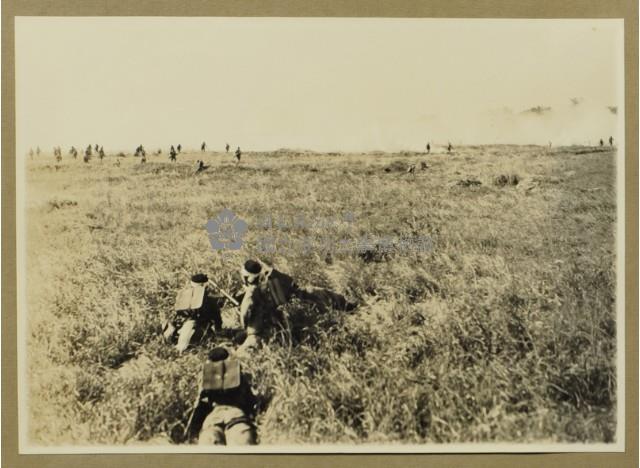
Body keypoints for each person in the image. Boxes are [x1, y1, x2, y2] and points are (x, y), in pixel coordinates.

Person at [236, 259, 355, 354]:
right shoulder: (273, 281)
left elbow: (244, 321)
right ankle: (347, 306)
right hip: (288, 323)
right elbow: (293, 286)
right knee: (314, 292)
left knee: (241, 352)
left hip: (265, 333)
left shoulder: (249, 296)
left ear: (245, 278)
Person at [185, 347, 258, 445]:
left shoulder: (205, 376)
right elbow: (250, 401)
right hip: (237, 415)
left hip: (213, 418)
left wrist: (192, 430)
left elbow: (199, 404)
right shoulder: (238, 374)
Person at [163, 273, 224, 353]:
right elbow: (217, 321)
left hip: (180, 329)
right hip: (198, 330)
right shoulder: (210, 301)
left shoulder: (182, 297)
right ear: (205, 286)